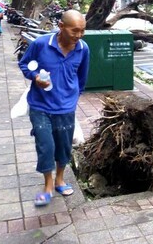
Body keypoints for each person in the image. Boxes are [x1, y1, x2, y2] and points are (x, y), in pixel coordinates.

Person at [19, 10, 90, 207]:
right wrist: (35, 77)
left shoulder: (83, 48)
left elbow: (82, 78)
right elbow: (25, 64)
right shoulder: (41, 44)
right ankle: (48, 184)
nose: (79, 35)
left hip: (66, 107)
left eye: (82, 31)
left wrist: (74, 97)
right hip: (40, 105)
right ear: (61, 26)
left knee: (64, 146)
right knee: (45, 145)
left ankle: (60, 178)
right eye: (74, 30)